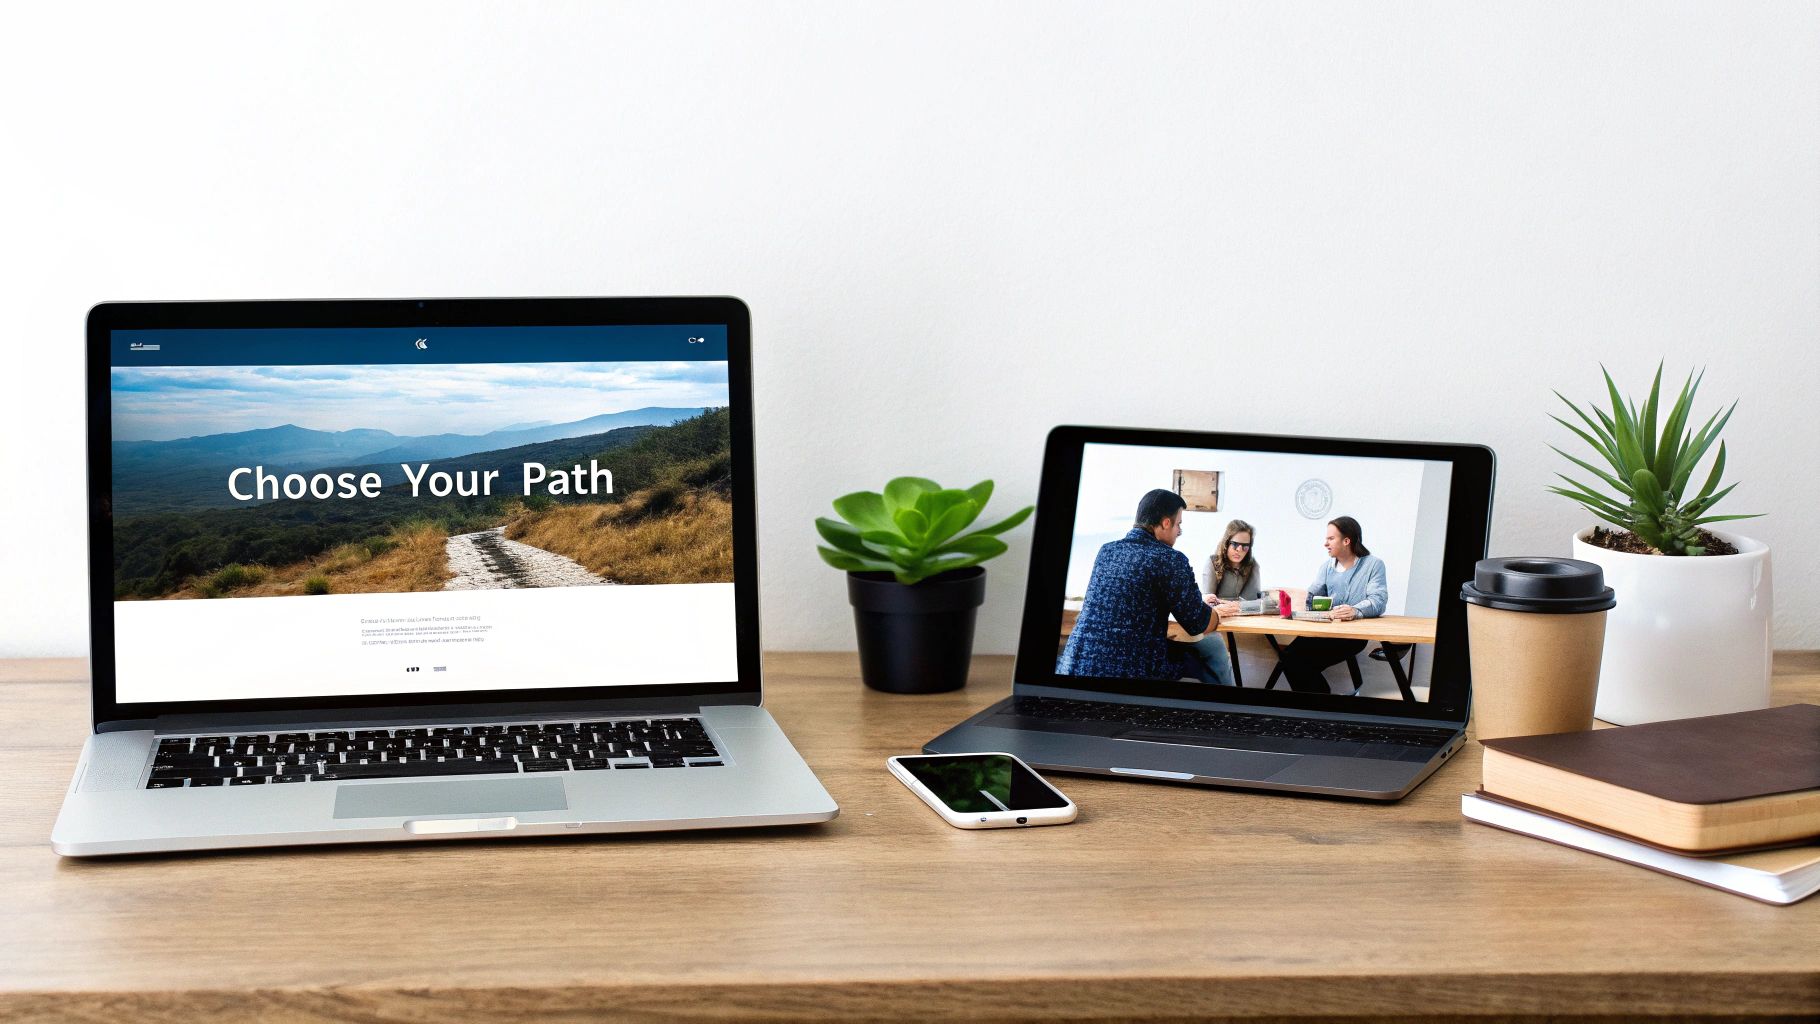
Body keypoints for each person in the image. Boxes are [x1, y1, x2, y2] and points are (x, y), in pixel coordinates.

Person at [1057, 489, 1219, 683]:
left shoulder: (1107, 551)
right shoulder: (1170, 559)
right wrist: (1219, 612)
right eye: (1179, 525)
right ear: (1166, 523)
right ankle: (1227, 708)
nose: (1179, 532)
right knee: (1213, 650)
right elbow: (1197, 623)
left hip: (1074, 668)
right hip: (1132, 673)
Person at [1278, 515, 1388, 694]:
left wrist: (1355, 610)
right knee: (1289, 658)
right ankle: (1318, 707)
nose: (1325, 543)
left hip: (1352, 637)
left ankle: (1321, 708)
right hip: (1323, 632)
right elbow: (1313, 597)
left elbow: (1378, 600)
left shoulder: (1373, 565)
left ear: (1346, 540)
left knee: (1298, 663)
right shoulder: (1327, 567)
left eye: (1330, 538)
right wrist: (1298, 600)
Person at [1185, 520, 1262, 686]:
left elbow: (1253, 603)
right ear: (1227, 543)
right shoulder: (1213, 562)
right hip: (1215, 621)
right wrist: (1231, 605)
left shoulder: (1252, 565)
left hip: (1240, 621)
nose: (1240, 550)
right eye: (1235, 545)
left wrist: (1235, 605)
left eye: (1245, 546)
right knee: (1219, 654)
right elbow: (1208, 598)